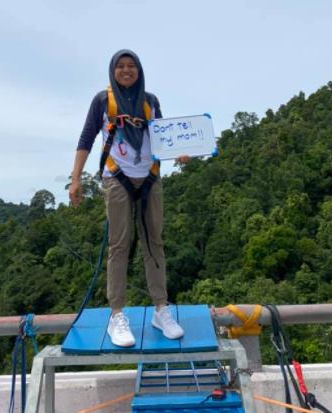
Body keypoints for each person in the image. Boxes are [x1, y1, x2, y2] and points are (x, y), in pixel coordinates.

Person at [69, 49, 186, 347]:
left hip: (150, 177)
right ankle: (117, 315)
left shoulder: (150, 101)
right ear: (113, 70)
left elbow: (163, 136)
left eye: (131, 66)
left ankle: (161, 309)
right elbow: (86, 138)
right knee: (119, 244)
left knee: (153, 241)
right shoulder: (102, 101)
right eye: (120, 66)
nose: (126, 71)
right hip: (117, 176)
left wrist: (180, 152)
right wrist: (76, 178)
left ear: (139, 70)